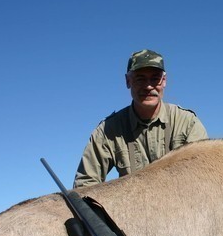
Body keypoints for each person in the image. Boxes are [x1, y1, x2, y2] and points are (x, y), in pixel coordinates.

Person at [73, 49, 208, 188]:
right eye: (140, 79)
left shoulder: (188, 123)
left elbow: (203, 176)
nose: (148, 86)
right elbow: (85, 185)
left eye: (155, 78)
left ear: (164, 81)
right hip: (130, 208)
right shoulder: (108, 130)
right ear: (128, 81)